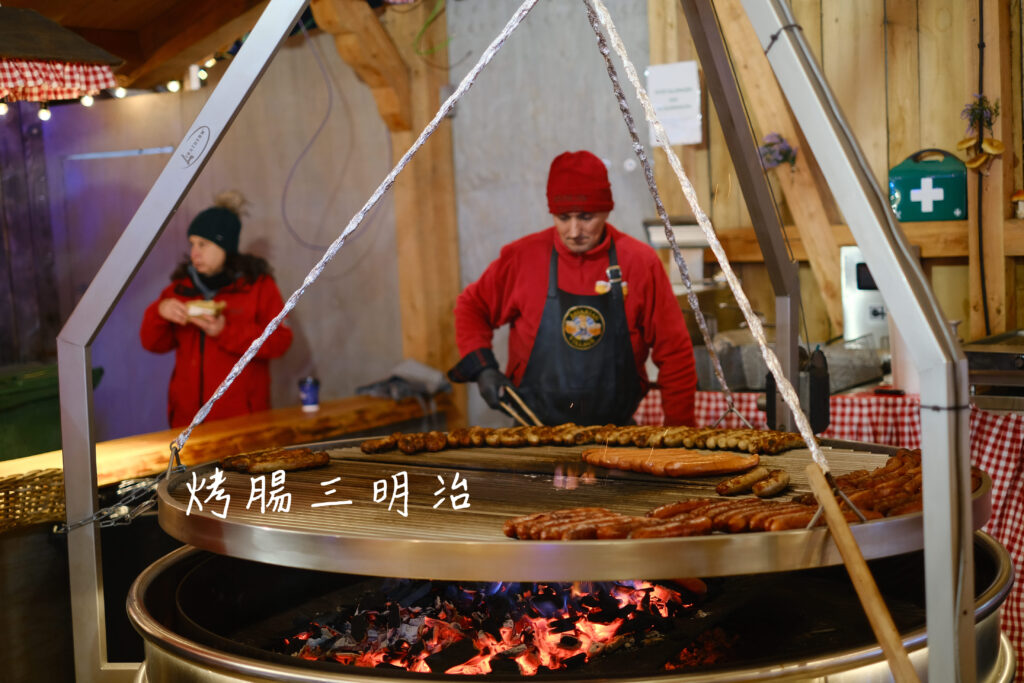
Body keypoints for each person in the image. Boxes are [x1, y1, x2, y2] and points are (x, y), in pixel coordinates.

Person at [448, 150, 697, 426]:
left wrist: (680, 430)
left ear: (606, 210)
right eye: (563, 217)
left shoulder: (639, 263)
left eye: (586, 217)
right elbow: (472, 307)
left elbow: (675, 352)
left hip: (614, 434)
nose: (574, 231)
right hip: (532, 431)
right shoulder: (523, 258)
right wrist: (483, 367)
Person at [140, 191, 293, 427]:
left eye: (203, 244)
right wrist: (159, 312)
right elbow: (153, 344)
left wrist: (226, 331)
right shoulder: (179, 289)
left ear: (224, 246)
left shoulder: (258, 286)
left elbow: (281, 341)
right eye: (192, 244)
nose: (194, 253)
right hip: (187, 423)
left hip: (242, 423)